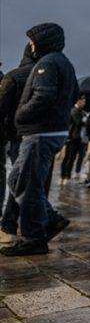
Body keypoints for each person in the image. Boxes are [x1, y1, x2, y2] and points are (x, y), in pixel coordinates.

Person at [1, 23, 78, 256]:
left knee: (26, 184)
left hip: (40, 132)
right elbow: (75, 94)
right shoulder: (64, 63)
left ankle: (35, 238)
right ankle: (50, 219)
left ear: (43, 42)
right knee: (19, 179)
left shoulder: (47, 64)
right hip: (52, 131)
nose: (31, 46)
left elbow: (43, 96)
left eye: (33, 41)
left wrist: (20, 114)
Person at [0, 43, 36, 245]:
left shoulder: (13, 76)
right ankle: (33, 221)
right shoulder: (54, 70)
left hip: (15, 134)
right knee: (28, 178)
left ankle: (9, 224)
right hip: (40, 134)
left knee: (17, 178)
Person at [59, 95, 88, 186]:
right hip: (71, 138)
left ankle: (67, 176)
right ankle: (63, 176)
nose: (84, 103)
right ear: (78, 101)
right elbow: (78, 122)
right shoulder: (74, 111)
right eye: (83, 101)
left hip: (78, 138)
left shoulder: (81, 112)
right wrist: (85, 119)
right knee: (68, 158)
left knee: (73, 158)